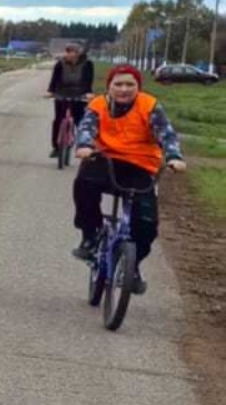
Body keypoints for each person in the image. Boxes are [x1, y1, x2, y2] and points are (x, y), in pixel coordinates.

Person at [70, 64, 186, 294]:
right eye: (118, 84)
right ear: (109, 86)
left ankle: (132, 266)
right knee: (84, 185)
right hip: (105, 160)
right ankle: (90, 236)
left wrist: (174, 156)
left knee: (146, 224)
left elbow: (167, 134)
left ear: (138, 87)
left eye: (130, 84)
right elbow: (87, 128)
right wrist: (84, 145)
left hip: (140, 165)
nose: (124, 89)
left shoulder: (149, 106)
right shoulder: (98, 105)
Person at [45, 41, 95, 157]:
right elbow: (54, 79)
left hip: (80, 93)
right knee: (58, 120)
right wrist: (50, 91)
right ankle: (57, 147)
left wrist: (88, 92)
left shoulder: (87, 64)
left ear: (79, 53)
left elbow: (89, 80)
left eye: (73, 52)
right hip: (62, 92)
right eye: (68, 51)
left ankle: (83, 146)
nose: (70, 54)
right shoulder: (60, 64)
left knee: (80, 121)